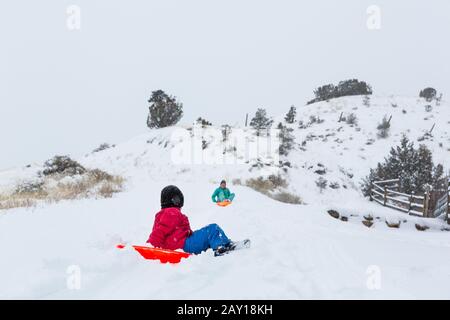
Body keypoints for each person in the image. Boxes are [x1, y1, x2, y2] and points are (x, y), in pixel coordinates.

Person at [147, 185, 237, 256]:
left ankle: (221, 244)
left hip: (179, 244)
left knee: (205, 235)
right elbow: (161, 230)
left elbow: (166, 229)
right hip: (183, 245)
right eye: (178, 199)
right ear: (174, 200)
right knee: (212, 229)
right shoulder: (171, 212)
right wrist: (151, 246)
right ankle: (222, 246)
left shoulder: (166, 213)